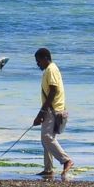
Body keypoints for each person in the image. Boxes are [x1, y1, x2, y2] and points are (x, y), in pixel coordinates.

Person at [34, 47, 73, 178]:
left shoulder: (51, 69)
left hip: (53, 109)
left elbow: (53, 91)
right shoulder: (50, 69)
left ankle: (66, 160)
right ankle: (48, 169)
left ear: (45, 58)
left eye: (38, 61)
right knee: (47, 139)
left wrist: (42, 112)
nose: (37, 64)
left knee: (46, 137)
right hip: (53, 108)